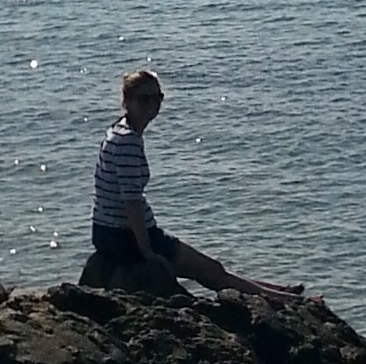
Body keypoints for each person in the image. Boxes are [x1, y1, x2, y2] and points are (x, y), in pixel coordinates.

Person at [90, 68, 298, 297]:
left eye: (157, 98)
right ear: (127, 101)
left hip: (108, 231)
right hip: (124, 236)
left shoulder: (118, 131)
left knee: (214, 269)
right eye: (144, 99)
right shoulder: (127, 141)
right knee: (212, 272)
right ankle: (285, 300)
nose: (152, 104)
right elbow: (131, 202)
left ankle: (279, 291)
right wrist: (147, 252)